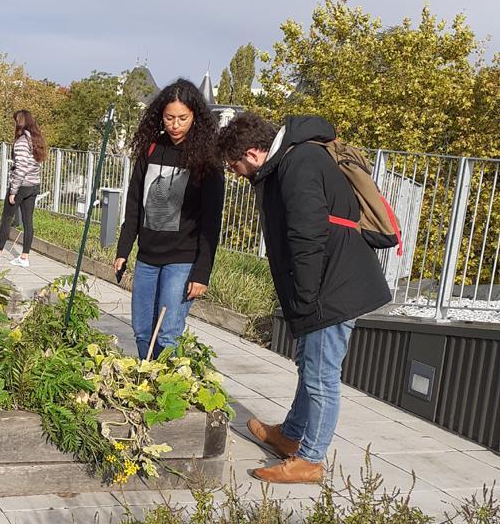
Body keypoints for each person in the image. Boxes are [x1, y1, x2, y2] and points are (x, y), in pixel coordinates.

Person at [217, 112, 393, 484]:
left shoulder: (299, 163)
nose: (234, 174)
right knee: (310, 367)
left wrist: (306, 300)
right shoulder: (294, 159)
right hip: (329, 282)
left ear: (252, 153)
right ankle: (291, 434)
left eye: (234, 166)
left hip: (332, 288)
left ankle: (310, 459)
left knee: (322, 377)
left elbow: (307, 237)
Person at [114, 79, 224, 358]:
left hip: (182, 260)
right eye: (169, 118)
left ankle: (164, 391)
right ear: (160, 116)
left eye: (182, 119)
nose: (175, 125)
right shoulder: (151, 149)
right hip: (147, 258)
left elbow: (211, 221)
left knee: (168, 333)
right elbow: (135, 203)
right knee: (141, 330)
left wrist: (202, 273)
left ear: (195, 117)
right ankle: (146, 381)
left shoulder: (207, 159)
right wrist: (123, 249)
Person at [0, 110, 47, 268]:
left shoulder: (22, 142)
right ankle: (24, 257)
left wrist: (13, 191)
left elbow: (21, 169)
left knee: (7, 218)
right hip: (33, 185)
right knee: (28, 221)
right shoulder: (36, 140)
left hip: (21, 186)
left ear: (20, 123)